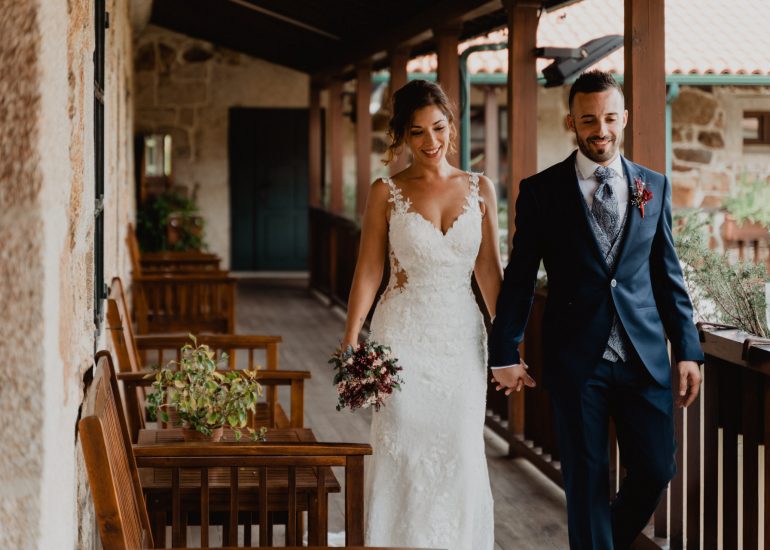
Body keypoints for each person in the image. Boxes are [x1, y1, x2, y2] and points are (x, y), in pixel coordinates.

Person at [488, 70, 703, 550]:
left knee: (656, 467)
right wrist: (504, 348)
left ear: (623, 118)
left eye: (609, 117)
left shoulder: (655, 186)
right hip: (576, 359)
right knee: (585, 479)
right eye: (589, 119)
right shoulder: (541, 191)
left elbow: (669, 277)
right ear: (572, 122)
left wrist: (687, 348)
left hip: (643, 357)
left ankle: (599, 541)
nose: (600, 129)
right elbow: (520, 278)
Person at [341, 79, 502, 550]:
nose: (431, 142)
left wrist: (511, 345)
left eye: (438, 128)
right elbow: (369, 268)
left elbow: (490, 272)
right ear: (402, 136)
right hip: (402, 338)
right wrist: (352, 335)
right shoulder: (386, 192)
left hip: (461, 339)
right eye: (418, 132)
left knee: (460, 449)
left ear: (452, 126)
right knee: (406, 448)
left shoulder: (480, 188)